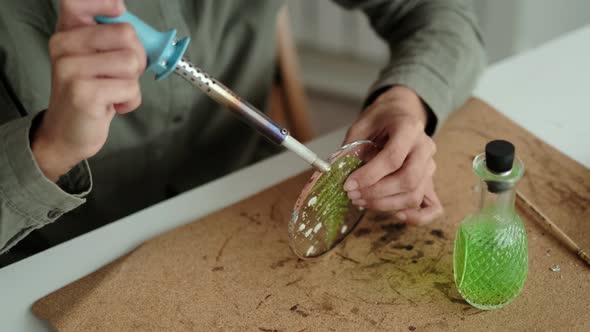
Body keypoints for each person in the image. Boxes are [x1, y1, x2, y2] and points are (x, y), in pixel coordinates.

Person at [0, 0, 485, 264]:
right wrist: (50, 150)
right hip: (51, 263)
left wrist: (405, 99)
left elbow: (443, 11)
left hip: (244, 216)